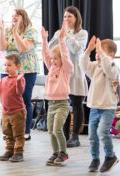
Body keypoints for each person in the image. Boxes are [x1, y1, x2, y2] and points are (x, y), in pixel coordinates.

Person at [48, 6, 88, 147]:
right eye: (64, 17)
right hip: (63, 75)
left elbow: (76, 49)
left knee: (77, 105)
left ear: (76, 18)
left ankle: (75, 136)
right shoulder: (60, 32)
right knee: (63, 104)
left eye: (69, 16)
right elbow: (50, 48)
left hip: (76, 73)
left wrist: (67, 35)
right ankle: (64, 134)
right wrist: (58, 36)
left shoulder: (82, 33)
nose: (66, 19)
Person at [0, 9, 39, 140]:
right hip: (8, 69)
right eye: (12, 15)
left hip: (26, 70)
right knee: (7, 100)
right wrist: (1, 30)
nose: (13, 17)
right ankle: (10, 131)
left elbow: (23, 48)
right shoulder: (8, 30)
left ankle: (25, 131)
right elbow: (2, 47)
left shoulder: (31, 31)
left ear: (23, 17)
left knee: (25, 100)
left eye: (16, 15)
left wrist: (15, 32)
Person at [80, 37, 119, 173]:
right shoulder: (95, 67)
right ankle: (95, 159)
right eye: (97, 52)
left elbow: (108, 69)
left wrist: (102, 54)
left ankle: (110, 156)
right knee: (92, 136)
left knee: (102, 131)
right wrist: (88, 50)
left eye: (101, 51)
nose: (98, 54)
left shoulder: (113, 66)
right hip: (95, 107)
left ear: (111, 54)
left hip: (108, 107)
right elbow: (83, 65)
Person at [41, 23, 74, 166]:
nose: (53, 61)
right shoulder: (51, 68)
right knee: (50, 131)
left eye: (56, 59)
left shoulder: (66, 70)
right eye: (53, 59)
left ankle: (63, 153)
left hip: (62, 104)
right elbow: (46, 55)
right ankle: (55, 153)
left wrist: (61, 40)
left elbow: (65, 56)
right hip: (51, 103)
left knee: (57, 129)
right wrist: (44, 40)